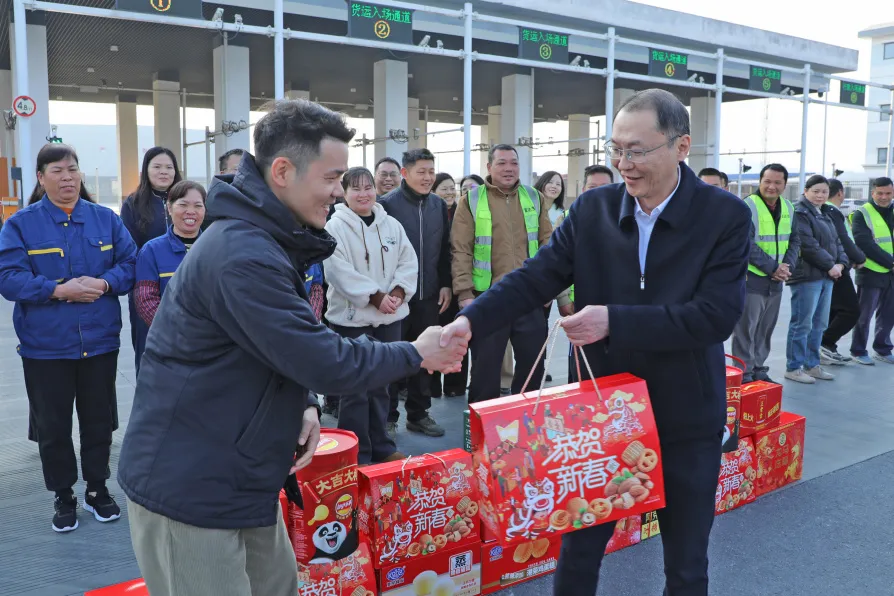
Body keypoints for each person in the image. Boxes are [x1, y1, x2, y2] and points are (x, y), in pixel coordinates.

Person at [118, 99, 467, 596]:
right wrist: (417, 352)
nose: (339, 191)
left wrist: (302, 403)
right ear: (282, 171)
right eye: (332, 178)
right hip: (192, 486)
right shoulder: (242, 254)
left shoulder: (269, 239)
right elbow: (324, 359)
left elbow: (275, 346)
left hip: (243, 472)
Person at [441, 88, 751, 596]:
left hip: (687, 414)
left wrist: (614, 321)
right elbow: (534, 278)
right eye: (616, 150)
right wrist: (469, 321)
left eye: (637, 151)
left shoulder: (725, 216)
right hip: (602, 415)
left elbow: (714, 317)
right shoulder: (593, 210)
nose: (624, 164)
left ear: (681, 146)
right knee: (580, 552)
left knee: (687, 562)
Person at [0, 143, 137, 533]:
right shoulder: (21, 225)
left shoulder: (105, 219)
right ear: (41, 178)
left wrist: (104, 283)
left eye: (72, 170)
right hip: (46, 347)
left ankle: (97, 488)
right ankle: (63, 494)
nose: (67, 178)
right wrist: (58, 290)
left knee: (98, 421)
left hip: (99, 342)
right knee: (54, 426)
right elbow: (7, 277)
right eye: (57, 171)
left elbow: (131, 263)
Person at [324, 167, 417, 464]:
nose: (363, 194)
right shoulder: (334, 227)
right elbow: (337, 271)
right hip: (351, 319)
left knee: (382, 384)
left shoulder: (391, 224)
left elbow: (408, 261)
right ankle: (356, 453)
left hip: (390, 317)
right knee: (355, 388)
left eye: (368, 188)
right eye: (356, 188)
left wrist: (398, 292)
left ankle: (382, 446)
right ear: (344, 193)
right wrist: (375, 297)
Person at [452, 144, 553, 403]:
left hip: (529, 296)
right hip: (488, 298)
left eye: (514, 163)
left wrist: (548, 289)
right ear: (489, 167)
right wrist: (464, 293)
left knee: (532, 368)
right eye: (502, 163)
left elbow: (548, 244)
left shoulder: (534, 197)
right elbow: (461, 249)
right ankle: (481, 426)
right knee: (485, 371)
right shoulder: (471, 200)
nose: (509, 168)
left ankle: (526, 423)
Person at [380, 149, 451, 437]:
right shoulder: (386, 205)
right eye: (421, 172)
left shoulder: (438, 205)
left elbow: (445, 248)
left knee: (425, 355)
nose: (428, 177)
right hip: (396, 297)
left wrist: (445, 283)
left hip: (429, 295)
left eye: (431, 171)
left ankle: (419, 414)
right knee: (393, 357)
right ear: (405, 173)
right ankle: (388, 417)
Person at [731, 163, 800, 383]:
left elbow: (795, 240)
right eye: (767, 181)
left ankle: (759, 370)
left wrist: (787, 266)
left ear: (785, 185)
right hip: (752, 278)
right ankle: (744, 374)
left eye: (777, 182)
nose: (772, 186)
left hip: (776, 280)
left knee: (765, 329)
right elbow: (745, 243)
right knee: (746, 329)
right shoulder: (746, 206)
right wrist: (773, 268)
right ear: (760, 181)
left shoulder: (788, 207)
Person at [120, 147, 183, 374]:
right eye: (157, 167)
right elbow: (128, 249)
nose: (163, 172)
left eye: (169, 167)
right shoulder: (133, 204)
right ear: (146, 170)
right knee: (149, 350)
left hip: (185, 284)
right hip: (147, 289)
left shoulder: (187, 199)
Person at [784, 175, 847, 384]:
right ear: (806, 191)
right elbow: (808, 245)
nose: (820, 195)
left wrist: (841, 264)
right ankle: (794, 367)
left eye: (824, 192)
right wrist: (831, 265)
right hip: (807, 277)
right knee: (802, 324)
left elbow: (837, 242)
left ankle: (812, 365)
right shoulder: (800, 212)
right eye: (816, 191)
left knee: (819, 324)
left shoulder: (824, 213)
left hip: (826, 276)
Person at [562, 164, 616, 382]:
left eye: (605, 186)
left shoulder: (629, 218)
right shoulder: (571, 219)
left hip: (616, 308)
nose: (600, 192)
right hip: (581, 304)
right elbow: (555, 264)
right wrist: (565, 298)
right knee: (580, 365)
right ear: (583, 189)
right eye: (593, 187)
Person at [134, 181, 206, 342]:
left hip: (210, 342)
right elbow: (146, 300)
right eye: (183, 205)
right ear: (169, 207)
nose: (191, 211)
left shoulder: (215, 247)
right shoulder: (152, 250)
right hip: (168, 341)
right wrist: (176, 330)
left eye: (198, 206)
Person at [431, 172, 469, 398]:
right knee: (437, 335)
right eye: (443, 188)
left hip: (460, 282)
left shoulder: (462, 211)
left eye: (450, 188)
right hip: (438, 283)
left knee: (459, 334)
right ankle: (433, 385)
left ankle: (456, 384)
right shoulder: (432, 213)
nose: (448, 192)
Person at [850, 176, 894, 365]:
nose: (884, 197)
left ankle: (883, 348)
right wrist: (891, 262)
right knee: (864, 315)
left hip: (891, 273)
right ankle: (858, 350)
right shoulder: (862, 213)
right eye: (880, 193)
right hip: (871, 271)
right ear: (872, 193)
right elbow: (864, 243)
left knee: (889, 314)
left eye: (888, 193)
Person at [821, 178, 865, 364]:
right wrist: (859, 258)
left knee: (834, 310)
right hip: (837, 268)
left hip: (836, 265)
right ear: (840, 193)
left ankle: (826, 348)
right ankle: (824, 343)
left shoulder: (825, 211)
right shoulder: (832, 211)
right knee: (851, 311)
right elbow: (843, 240)